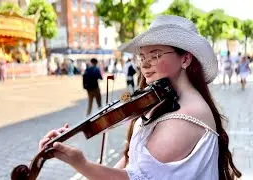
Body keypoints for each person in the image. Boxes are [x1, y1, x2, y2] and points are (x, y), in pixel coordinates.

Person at [38, 15, 241, 180]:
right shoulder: (163, 100)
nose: (144, 65)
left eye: (155, 55)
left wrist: (81, 164)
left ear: (185, 59)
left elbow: (133, 178)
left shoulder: (186, 116)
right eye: (142, 57)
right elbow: (129, 163)